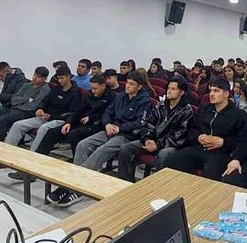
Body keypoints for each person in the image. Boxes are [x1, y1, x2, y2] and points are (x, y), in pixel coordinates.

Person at [48, 71, 151, 207]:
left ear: (139, 86)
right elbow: (107, 113)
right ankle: (75, 184)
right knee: (83, 145)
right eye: (127, 83)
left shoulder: (145, 101)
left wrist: (119, 128)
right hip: (110, 129)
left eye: (132, 84)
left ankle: (73, 188)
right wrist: (107, 124)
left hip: (126, 135)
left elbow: (140, 123)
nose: (127, 86)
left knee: (102, 150)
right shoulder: (120, 96)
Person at [164, 78, 247, 181]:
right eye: (210, 90)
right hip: (199, 148)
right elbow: (192, 129)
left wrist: (223, 142)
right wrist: (199, 137)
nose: (211, 94)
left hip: (221, 153)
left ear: (226, 94)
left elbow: (243, 141)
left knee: (211, 174)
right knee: (171, 161)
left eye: (216, 91)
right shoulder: (204, 109)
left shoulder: (239, 115)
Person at [6, 67, 81, 180]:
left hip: (60, 120)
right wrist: (40, 109)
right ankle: (5, 155)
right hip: (45, 116)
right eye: (58, 78)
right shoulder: (56, 88)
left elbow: (71, 112)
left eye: (62, 78)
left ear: (69, 77)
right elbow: (45, 101)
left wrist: (51, 116)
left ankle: (30, 165)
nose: (60, 81)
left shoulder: (75, 93)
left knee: (43, 129)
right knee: (18, 125)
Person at [117, 77, 194, 182]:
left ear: (181, 92)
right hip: (153, 140)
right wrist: (147, 139)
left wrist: (157, 145)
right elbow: (149, 124)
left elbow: (178, 136)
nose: (169, 91)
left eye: (173, 89)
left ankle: (158, 185)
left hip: (171, 145)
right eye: (168, 88)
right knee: (125, 148)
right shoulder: (161, 105)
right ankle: (126, 182)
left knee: (164, 154)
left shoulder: (186, 111)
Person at [33, 74, 116, 158]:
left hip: (98, 124)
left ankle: (77, 160)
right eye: (92, 88)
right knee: (52, 132)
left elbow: (107, 114)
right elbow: (79, 110)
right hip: (83, 121)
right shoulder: (90, 94)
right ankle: (38, 157)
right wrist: (68, 122)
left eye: (95, 88)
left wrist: (91, 117)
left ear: (103, 86)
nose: (93, 91)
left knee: (74, 134)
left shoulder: (112, 96)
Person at [0, 67, 51, 142]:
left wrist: (21, 101)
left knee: (3, 120)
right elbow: (14, 99)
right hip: (14, 108)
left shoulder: (45, 88)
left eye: (38, 77)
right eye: (35, 75)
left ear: (45, 79)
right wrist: (27, 99)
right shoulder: (27, 85)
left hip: (27, 112)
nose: (35, 78)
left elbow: (33, 105)